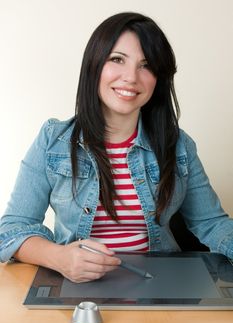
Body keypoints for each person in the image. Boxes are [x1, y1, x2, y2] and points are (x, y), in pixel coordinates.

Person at [1, 12, 233, 283]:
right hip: (77, 290)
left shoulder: (178, 145)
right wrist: (60, 257)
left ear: (158, 78)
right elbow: (11, 230)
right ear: (94, 65)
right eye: (117, 59)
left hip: (160, 287)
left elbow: (212, 224)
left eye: (146, 65)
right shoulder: (53, 140)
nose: (131, 77)